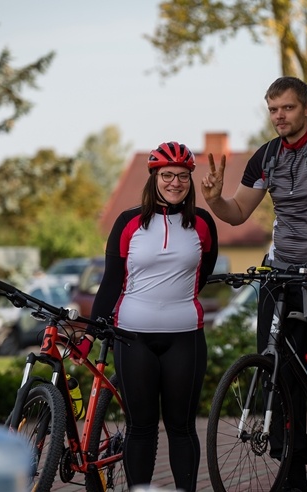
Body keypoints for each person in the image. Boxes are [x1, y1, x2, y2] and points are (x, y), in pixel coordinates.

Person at [201, 76, 307, 492]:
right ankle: (292, 473)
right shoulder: (266, 157)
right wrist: (214, 199)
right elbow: (238, 212)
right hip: (281, 275)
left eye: (288, 108)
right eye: (273, 109)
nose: (279, 116)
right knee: (279, 374)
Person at [73, 141, 218, 492]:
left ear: (190, 181)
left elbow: (203, 274)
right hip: (132, 336)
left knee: (182, 427)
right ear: (153, 178)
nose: (175, 182)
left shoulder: (201, 224)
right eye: (167, 175)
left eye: (183, 176)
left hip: (185, 335)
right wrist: (92, 333)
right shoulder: (128, 223)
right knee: (141, 426)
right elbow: (111, 281)